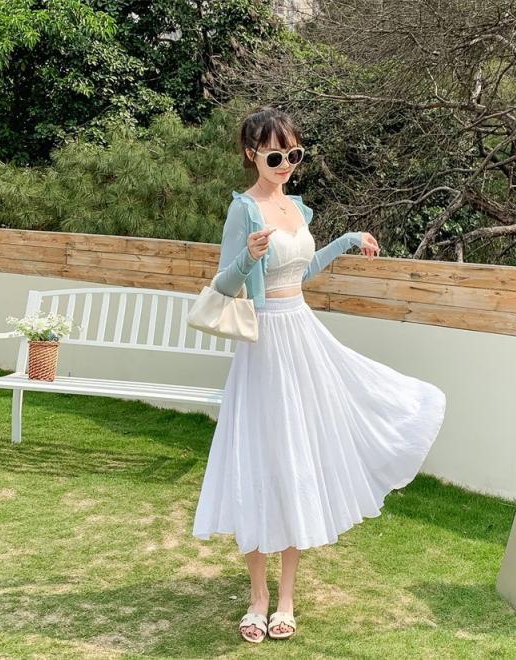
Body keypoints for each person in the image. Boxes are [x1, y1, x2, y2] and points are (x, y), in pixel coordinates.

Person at [192, 106, 447, 643]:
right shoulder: (243, 210)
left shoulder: (296, 207)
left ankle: (286, 598)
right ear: (251, 154)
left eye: (294, 154)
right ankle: (258, 598)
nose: (286, 164)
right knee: (260, 461)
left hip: (301, 334)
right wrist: (248, 258)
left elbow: (301, 270)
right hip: (264, 346)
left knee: (298, 459)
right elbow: (223, 285)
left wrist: (348, 239)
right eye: (275, 156)